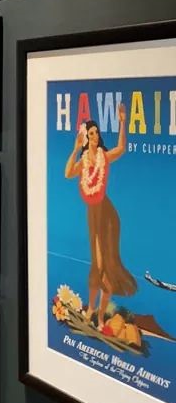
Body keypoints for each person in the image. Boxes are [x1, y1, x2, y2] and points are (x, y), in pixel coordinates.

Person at [64, 102, 136, 327]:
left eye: (96, 133)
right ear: (85, 139)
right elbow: (68, 173)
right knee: (98, 264)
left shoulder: (104, 157)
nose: (95, 136)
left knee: (107, 264)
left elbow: (121, 148)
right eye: (91, 133)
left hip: (108, 215)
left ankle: (101, 315)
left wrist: (122, 122)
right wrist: (75, 149)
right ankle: (92, 309)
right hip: (93, 216)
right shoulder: (83, 162)